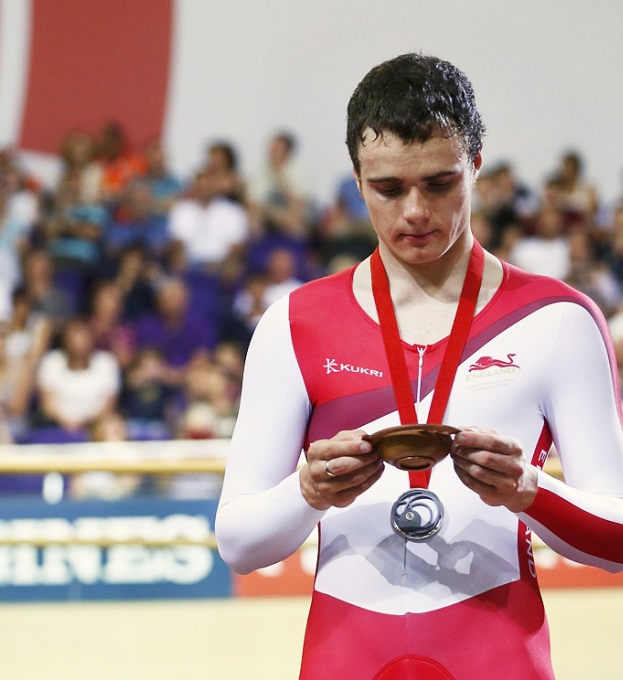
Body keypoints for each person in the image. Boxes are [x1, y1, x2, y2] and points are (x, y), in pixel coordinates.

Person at [215, 53, 623, 679]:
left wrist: (529, 491)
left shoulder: (558, 319)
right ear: (357, 181)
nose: (414, 211)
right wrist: (308, 492)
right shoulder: (294, 324)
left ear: (475, 166)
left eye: (439, 184)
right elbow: (239, 544)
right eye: (388, 188)